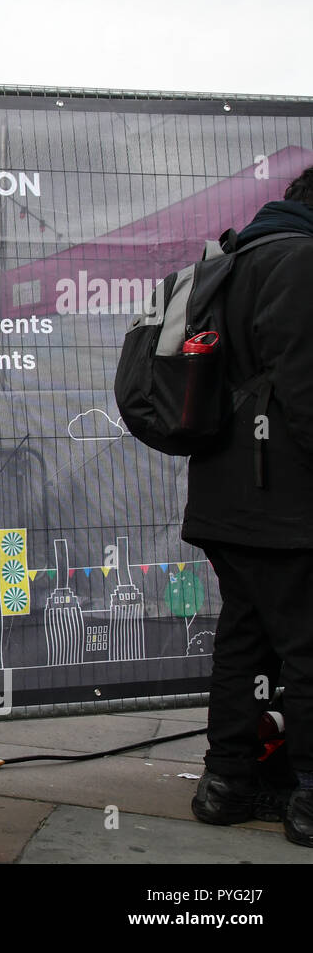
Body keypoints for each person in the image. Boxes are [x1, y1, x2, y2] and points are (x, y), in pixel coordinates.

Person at [183, 166, 313, 848]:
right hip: (284, 501)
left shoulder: (231, 260)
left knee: (243, 638)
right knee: (306, 644)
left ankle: (227, 783)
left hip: (224, 496)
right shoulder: (299, 262)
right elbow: (305, 386)